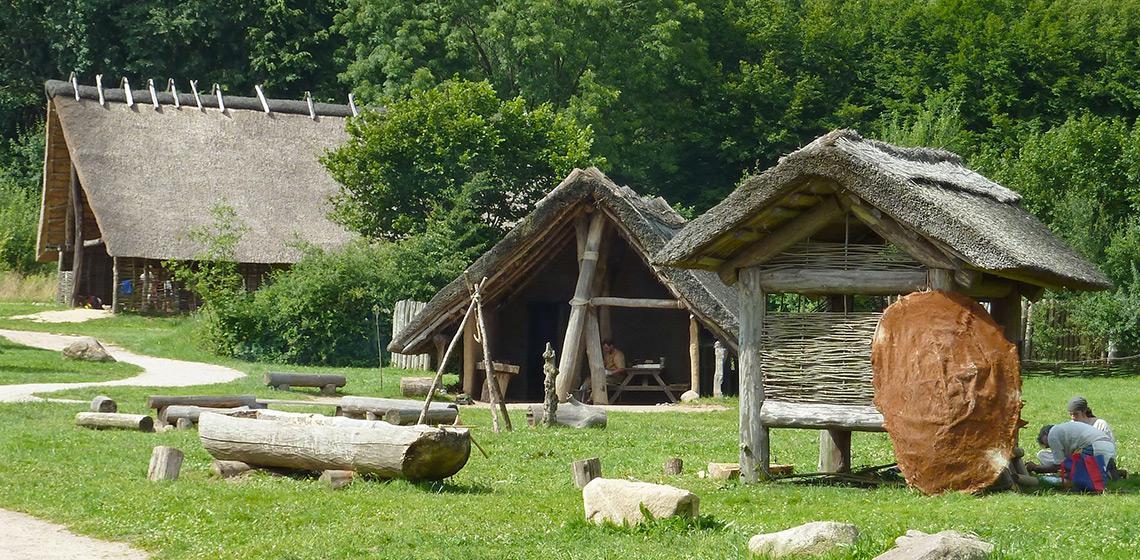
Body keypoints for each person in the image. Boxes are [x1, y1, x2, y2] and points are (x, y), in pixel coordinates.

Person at [1027, 422, 1116, 492]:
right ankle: (1110, 472)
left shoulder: (1052, 435)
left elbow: (1059, 465)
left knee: (1077, 480)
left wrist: (1036, 468)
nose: (1049, 447)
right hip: (1107, 446)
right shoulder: (1064, 430)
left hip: (1095, 446)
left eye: (1048, 445)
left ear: (1046, 433)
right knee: (1080, 472)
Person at [1068, 396, 1122, 479]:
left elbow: (1109, 448)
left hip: (1096, 457)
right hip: (1076, 457)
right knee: (1043, 455)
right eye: (1071, 414)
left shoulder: (1100, 424)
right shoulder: (1070, 425)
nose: (1073, 417)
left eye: (1076, 414)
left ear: (1084, 412)